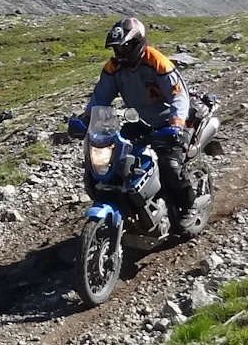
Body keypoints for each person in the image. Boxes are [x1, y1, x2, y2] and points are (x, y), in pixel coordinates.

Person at [72, 17, 196, 221]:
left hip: (170, 125)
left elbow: (179, 96)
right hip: (143, 123)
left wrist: (176, 124)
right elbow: (100, 97)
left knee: (170, 166)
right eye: (117, 49)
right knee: (115, 158)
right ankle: (127, 202)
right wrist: (85, 120)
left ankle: (187, 206)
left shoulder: (157, 62)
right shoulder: (113, 69)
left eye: (124, 47)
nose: (119, 53)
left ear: (137, 42)